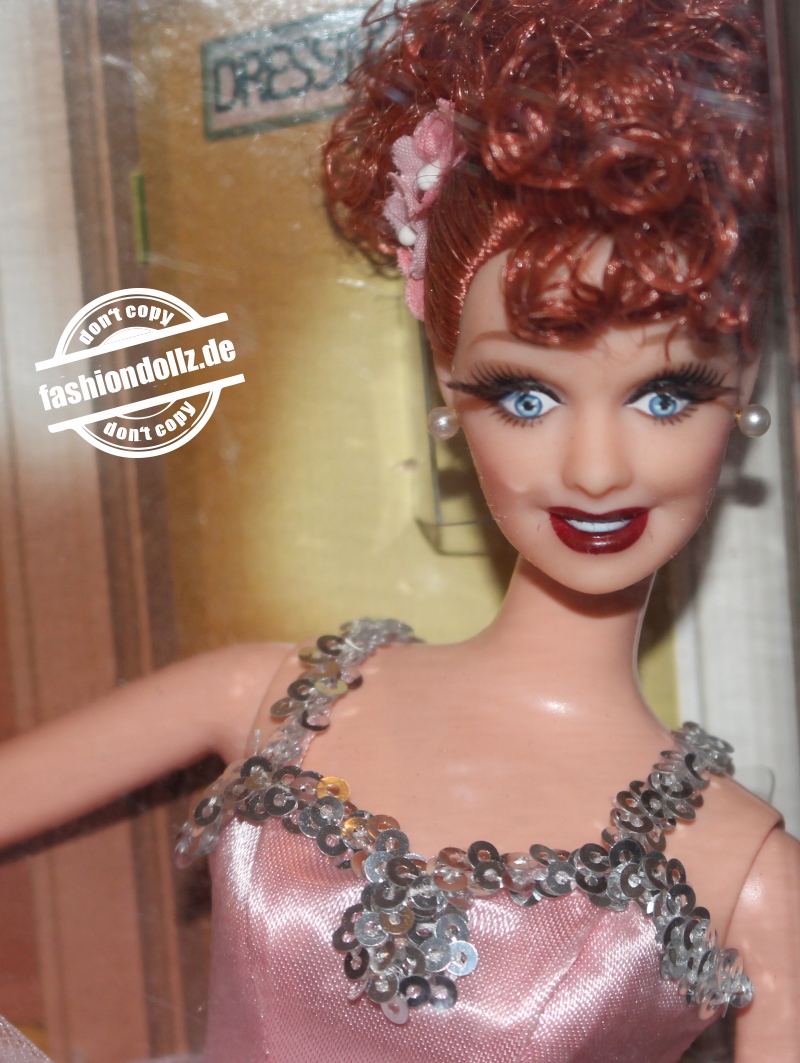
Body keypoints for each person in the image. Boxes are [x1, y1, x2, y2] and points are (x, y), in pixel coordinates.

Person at [1, 0, 799, 1060]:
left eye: (665, 395)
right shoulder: (272, 697)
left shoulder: (748, 873)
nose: (596, 468)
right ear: (446, 387)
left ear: (743, 390)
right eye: (524, 396)